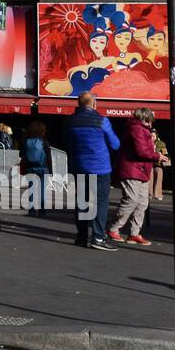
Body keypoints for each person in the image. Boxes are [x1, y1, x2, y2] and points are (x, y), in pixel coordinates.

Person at [64, 91, 120, 250]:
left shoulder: (70, 121)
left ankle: (82, 236)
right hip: (100, 168)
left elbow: (67, 142)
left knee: (82, 202)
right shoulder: (102, 121)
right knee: (100, 203)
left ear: (78, 104)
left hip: (79, 166)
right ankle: (98, 238)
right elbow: (115, 144)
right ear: (94, 104)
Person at [107, 108, 160, 245]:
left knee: (142, 202)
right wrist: (157, 155)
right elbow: (141, 151)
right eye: (149, 121)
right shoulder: (137, 129)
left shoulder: (142, 130)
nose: (151, 124)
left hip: (141, 170)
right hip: (132, 169)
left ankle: (134, 233)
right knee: (131, 199)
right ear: (145, 119)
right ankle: (114, 228)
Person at [21, 120, 51, 216]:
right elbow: (48, 156)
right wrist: (51, 171)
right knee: (42, 190)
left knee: (32, 189)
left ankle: (32, 210)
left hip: (30, 168)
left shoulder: (27, 141)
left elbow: (21, 154)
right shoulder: (44, 141)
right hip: (43, 168)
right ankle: (42, 211)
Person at [151, 130, 170, 201]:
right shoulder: (147, 142)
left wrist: (165, 158)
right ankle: (149, 194)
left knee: (159, 174)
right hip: (149, 164)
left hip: (158, 164)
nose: (152, 137)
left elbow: (165, 152)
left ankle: (157, 194)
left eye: (153, 136)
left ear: (156, 136)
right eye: (151, 136)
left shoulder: (161, 143)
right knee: (150, 176)